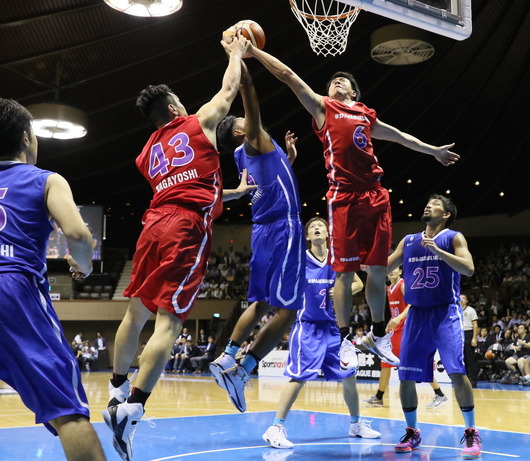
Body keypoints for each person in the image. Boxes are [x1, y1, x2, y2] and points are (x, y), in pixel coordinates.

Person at [246, 44, 459, 370]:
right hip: (343, 197)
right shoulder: (323, 108)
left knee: (377, 271)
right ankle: (345, 338)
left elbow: (400, 136)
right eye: (332, 81)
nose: (336, 83)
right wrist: (255, 53)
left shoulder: (364, 115)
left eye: (342, 81)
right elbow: (288, 76)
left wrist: (433, 151)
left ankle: (377, 334)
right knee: (343, 274)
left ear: (355, 91)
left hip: (375, 196)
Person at [102, 36, 254, 461]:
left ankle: (115, 389)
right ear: (173, 109)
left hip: (153, 224)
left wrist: (235, 192)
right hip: (185, 230)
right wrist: (234, 56)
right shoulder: (197, 122)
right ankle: (132, 409)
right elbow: (228, 90)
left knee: (135, 312)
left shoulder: (147, 152)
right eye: (181, 102)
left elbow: (186, 185)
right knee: (169, 324)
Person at [0, 98, 106, 460]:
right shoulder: (45, 179)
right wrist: (86, 266)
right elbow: (78, 235)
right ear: (28, 139)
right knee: (69, 412)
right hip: (13, 291)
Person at [209, 59, 306, 413]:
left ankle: (228, 357)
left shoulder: (242, 156)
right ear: (239, 131)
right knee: (290, 309)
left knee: (262, 303)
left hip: (263, 231)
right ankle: (245, 369)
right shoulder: (251, 139)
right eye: (243, 122)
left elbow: (269, 181)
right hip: (284, 228)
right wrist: (243, 59)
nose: (248, 122)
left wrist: (288, 159)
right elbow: (249, 94)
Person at [262, 217, 381, 449]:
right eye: (313, 228)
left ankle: (355, 424)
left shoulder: (336, 260)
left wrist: (336, 290)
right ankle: (275, 427)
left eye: (321, 227)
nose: (317, 229)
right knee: (299, 377)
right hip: (307, 326)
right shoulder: (300, 260)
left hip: (332, 329)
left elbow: (356, 283)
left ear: (327, 234)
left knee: (349, 375)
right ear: (307, 237)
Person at [387, 195, 481, 459]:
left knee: (456, 372)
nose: (428, 205)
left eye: (436, 204)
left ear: (446, 214)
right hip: (416, 314)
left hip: (445, 313)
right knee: (405, 376)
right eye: (427, 202)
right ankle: (412, 430)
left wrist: (439, 252)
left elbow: (470, 269)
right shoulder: (409, 241)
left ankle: (471, 432)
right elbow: (385, 266)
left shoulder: (453, 238)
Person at [362, 267, 448, 408]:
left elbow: (413, 304)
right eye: (390, 269)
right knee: (385, 363)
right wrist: (391, 324)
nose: (392, 271)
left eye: (395, 269)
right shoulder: (389, 288)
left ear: (401, 271)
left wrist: (399, 318)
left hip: (407, 329)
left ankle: (439, 394)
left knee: (412, 364)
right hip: (396, 330)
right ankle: (378, 397)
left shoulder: (403, 285)